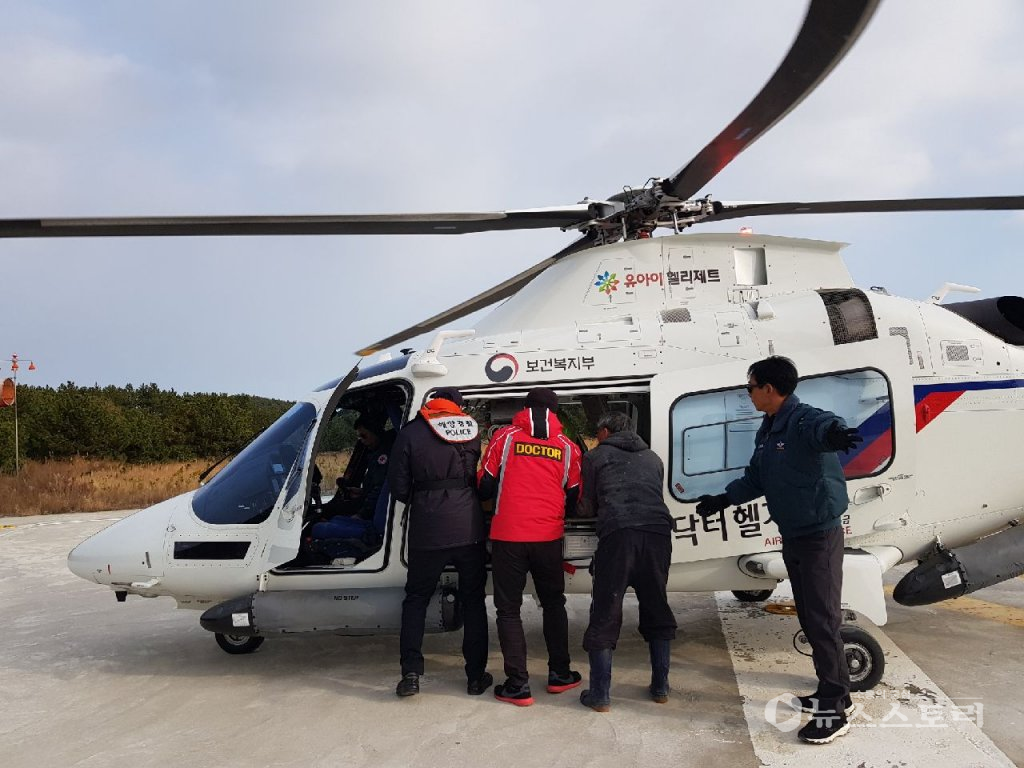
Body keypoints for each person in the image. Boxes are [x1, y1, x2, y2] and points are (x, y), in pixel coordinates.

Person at [696, 356, 862, 745]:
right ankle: (832, 690)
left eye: (750, 386)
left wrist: (836, 434)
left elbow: (824, 427)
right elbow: (758, 475)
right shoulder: (770, 429)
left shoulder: (803, 420)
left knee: (822, 619)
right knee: (810, 615)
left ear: (769, 389)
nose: (748, 393)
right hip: (795, 534)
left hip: (819, 535)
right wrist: (724, 499)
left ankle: (835, 708)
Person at [478, 387, 583, 706]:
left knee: (508, 609)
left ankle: (517, 685)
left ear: (525, 408)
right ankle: (560, 675)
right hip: (548, 537)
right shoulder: (566, 446)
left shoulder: (505, 437)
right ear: (555, 412)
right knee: (553, 603)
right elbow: (575, 496)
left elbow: (484, 484)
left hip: (508, 535)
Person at [388, 387, 491, 698]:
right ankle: (475, 677)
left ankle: (411, 674)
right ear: (457, 406)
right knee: (473, 600)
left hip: (428, 530)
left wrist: (423, 498)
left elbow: (398, 486)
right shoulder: (470, 430)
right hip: (468, 528)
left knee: (416, 599)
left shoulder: (411, 433)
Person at [576, 411, 677, 712]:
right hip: (658, 534)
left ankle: (600, 695)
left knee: (607, 610)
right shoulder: (653, 457)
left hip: (619, 535)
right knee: (656, 605)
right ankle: (660, 687)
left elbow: (586, 506)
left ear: (605, 432)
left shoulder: (596, 457)